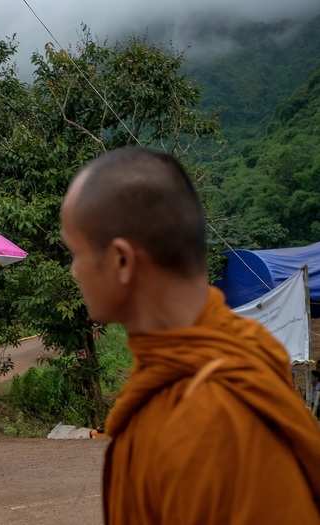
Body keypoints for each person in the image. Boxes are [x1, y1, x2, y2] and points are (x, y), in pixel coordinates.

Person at [60, 147, 320, 524]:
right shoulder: (224, 357)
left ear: (121, 261)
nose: (74, 271)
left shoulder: (215, 421)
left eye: (76, 253)